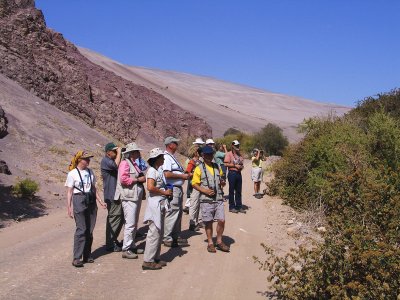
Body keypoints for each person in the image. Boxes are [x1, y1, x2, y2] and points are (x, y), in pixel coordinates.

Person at [66, 151, 107, 267]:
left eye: (89, 159)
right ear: (79, 160)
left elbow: (94, 188)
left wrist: (100, 201)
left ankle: (87, 254)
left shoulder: (90, 172)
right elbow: (69, 192)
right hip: (79, 199)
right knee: (81, 229)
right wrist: (69, 207)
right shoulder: (72, 174)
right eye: (86, 159)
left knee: (89, 229)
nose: (88, 161)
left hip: (91, 200)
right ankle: (77, 257)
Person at [192, 146, 230, 253]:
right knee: (208, 222)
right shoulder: (199, 168)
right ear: (203, 156)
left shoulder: (217, 166)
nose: (209, 156)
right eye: (207, 155)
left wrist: (222, 183)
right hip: (206, 199)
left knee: (221, 220)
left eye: (210, 154)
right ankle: (210, 243)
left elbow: (222, 180)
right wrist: (205, 191)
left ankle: (219, 241)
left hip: (218, 198)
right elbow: (194, 184)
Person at [142, 148, 173, 270]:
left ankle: (155, 258)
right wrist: (163, 192)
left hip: (159, 202)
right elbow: (150, 187)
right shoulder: (151, 171)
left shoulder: (157, 170)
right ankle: (148, 260)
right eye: (161, 157)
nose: (164, 158)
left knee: (158, 232)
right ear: (156, 158)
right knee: (154, 232)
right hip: (155, 203)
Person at [115, 142, 146, 259]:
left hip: (134, 196)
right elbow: (123, 179)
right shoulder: (125, 163)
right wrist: (137, 180)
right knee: (130, 223)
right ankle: (126, 248)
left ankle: (131, 245)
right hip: (129, 197)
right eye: (137, 151)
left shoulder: (133, 163)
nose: (139, 153)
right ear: (132, 153)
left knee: (134, 222)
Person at [163, 136, 192, 247]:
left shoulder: (172, 157)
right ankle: (168, 237)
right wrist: (182, 176)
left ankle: (175, 236)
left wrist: (184, 174)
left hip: (177, 188)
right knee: (172, 212)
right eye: (175, 143)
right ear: (170, 144)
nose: (177, 145)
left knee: (178, 213)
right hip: (173, 188)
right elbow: (167, 174)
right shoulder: (166, 157)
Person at [101, 142, 124, 252]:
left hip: (116, 194)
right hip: (111, 195)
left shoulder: (111, 160)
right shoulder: (106, 161)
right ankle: (110, 244)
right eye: (114, 151)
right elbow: (116, 165)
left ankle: (113, 240)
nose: (116, 152)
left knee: (120, 218)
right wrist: (119, 153)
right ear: (108, 152)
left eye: (116, 151)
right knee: (114, 218)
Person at [224, 140, 245, 213]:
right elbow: (225, 164)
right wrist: (234, 165)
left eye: (238, 145)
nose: (237, 146)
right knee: (231, 190)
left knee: (239, 191)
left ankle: (239, 206)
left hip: (239, 173)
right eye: (236, 145)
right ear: (232, 145)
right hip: (232, 173)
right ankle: (231, 207)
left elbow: (242, 164)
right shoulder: (229, 154)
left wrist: (241, 167)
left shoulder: (240, 155)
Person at [186, 145, 203, 231]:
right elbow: (187, 173)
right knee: (194, 204)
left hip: (200, 185)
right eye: (199, 151)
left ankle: (199, 221)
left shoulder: (199, 162)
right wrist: (195, 174)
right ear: (196, 152)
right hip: (194, 185)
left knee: (200, 203)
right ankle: (192, 223)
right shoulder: (192, 162)